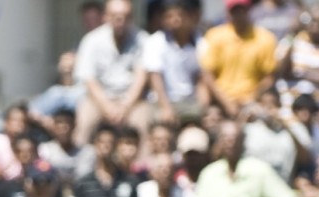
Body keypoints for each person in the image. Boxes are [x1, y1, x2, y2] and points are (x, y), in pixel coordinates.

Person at [72, 0, 149, 145]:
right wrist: (107, 107)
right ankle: (81, 164)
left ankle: (141, 167)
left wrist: (125, 107)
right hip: (99, 99)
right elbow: (89, 79)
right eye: (116, 16)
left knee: (142, 125)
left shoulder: (142, 40)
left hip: (132, 101)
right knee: (84, 122)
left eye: (125, 16)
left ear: (131, 17)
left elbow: (141, 77)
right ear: (106, 17)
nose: (120, 21)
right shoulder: (92, 40)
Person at [199, 0, 278, 117]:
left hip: (253, 101)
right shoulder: (215, 36)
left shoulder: (265, 38)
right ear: (227, 12)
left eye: (242, 10)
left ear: (249, 11)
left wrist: (251, 99)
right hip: (220, 100)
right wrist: (226, 102)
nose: (238, 15)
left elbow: (269, 77)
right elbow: (207, 75)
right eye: (234, 11)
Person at [141, 0, 207, 128]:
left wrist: (201, 108)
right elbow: (155, 79)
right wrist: (166, 109)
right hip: (161, 103)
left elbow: (202, 79)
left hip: (190, 103)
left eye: (179, 15)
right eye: (170, 16)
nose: (176, 20)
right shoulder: (155, 42)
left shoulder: (201, 42)